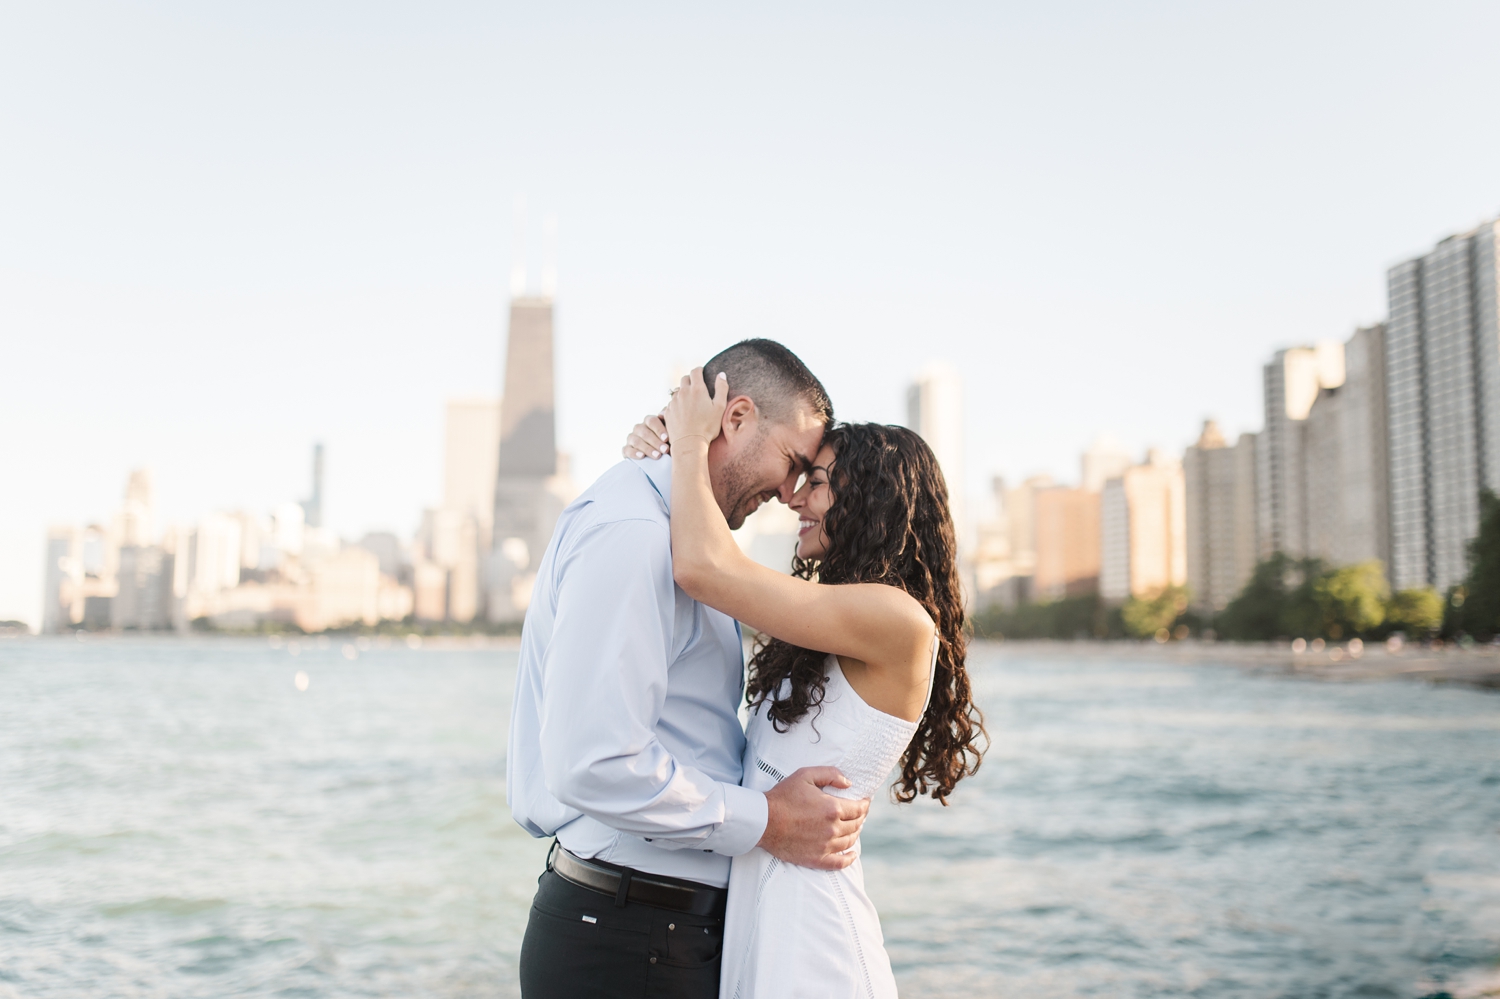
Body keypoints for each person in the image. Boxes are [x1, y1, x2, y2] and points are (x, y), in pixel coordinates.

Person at [509, 340, 873, 999]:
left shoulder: (674, 529)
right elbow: (591, 758)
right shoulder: (635, 531)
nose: (792, 493)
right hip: (629, 938)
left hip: (651, 932)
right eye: (793, 463)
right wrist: (765, 819)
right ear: (733, 419)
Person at [623, 369, 986, 999]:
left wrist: (686, 445)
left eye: (815, 482)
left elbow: (704, 566)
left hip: (819, 947)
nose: (793, 497)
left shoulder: (899, 622)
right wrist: (668, 451)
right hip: (759, 932)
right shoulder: (829, 625)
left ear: (871, 499)